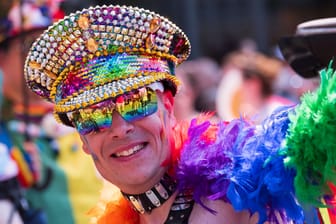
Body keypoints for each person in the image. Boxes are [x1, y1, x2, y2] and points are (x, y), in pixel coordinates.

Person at [24, 4, 336, 224]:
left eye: (135, 102)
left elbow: (315, 144)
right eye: (94, 115)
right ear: (83, 140)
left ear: (168, 106)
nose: (119, 128)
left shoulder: (242, 183)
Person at [0, 1, 102, 223]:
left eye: (54, 45)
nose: (44, 55)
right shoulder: (6, 132)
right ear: (2, 58)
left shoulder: (90, 114)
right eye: (30, 45)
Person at [216, 48, 294, 124]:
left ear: (254, 84)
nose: (239, 87)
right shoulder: (247, 113)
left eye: (242, 81)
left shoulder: (279, 109)